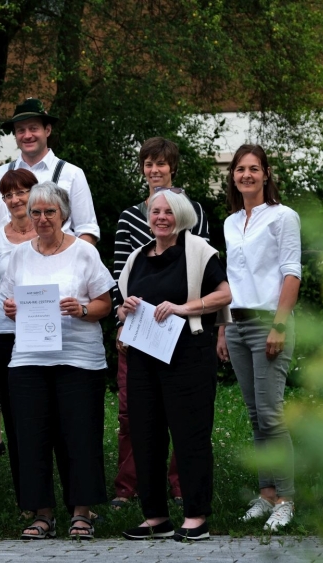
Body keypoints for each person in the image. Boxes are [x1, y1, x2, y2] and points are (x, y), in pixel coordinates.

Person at [0, 182, 114, 540]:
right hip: (29, 359)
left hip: (79, 359)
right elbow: (7, 303)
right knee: (32, 437)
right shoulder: (16, 256)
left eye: (50, 212)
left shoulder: (83, 252)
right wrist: (13, 309)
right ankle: (41, 514)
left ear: (64, 215)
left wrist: (81, 309)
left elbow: (104, 305)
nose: (43, 218)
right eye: (36, 212)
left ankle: (82, 512)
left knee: (80, 436)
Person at [117, 190, 231, 542]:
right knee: (145, 434)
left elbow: (225, 293)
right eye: (155, 211)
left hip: (188, 355)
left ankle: (196, 516)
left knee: (190, 434)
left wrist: (184, 307)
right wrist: (124, 311)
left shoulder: (198, 251)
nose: (161, 216)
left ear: (180, 216)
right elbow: (122, 306)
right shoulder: (137, 257)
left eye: (168, 211)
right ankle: (156, 517)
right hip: (143, 356)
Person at [111, 137, 211, 509]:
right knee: (132, 411)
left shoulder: (195, 212)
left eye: (162, 164)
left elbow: (203, 270)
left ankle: (181, 485)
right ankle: (128, 485)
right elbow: (120, 273)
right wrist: (121, 321)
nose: (155, 170)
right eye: (148, 164)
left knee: (180, 414)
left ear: (173, 168)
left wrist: (185, 310)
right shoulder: (128, 217)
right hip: (138, 328)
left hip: (181, 328)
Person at [217, 144, 301, 532]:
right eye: (240, 169)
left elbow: (291, 273)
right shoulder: (231, 222)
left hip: (270, 322)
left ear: (266, 174)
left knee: (271, 414)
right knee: (255, 417)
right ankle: (266, 494)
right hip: (236, 324)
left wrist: (280, 325)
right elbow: (230, 281)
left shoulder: (284, 217)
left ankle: (286, 498)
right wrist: (222, 326)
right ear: (233, 175)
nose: (246, 175)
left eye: (254, 169)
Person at [0, 168, 38, 505]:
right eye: (8, 194)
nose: (16, 199)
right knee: (15, 419)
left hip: (46, 334)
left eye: (22, 192)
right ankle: (26, 499)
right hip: (5, 334)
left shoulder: (52, 232)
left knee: (47, 416)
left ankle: (59, 497)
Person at [0, 98, 99, 244]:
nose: (27, 135)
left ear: (47, 130)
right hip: (8, 261)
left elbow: (87, 230)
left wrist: (73, 262)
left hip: (58, 262)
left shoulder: (72, 174)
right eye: (21, 130)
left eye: (33, 128)